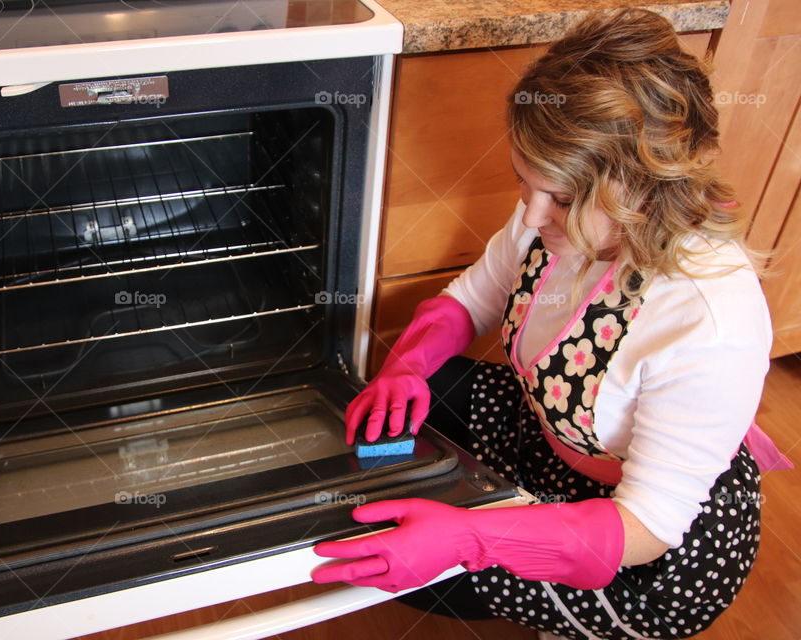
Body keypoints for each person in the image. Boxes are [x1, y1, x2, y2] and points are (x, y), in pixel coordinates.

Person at [310, 8, 793, 640]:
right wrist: (404, 367)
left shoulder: (707, 318)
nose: (531, 213)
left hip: (648, 544)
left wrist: (469, 537)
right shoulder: (554, 220)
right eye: (525, 183)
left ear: (646, 190)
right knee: (425, 398)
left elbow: (644, 528)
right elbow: (469, 301)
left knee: (442, 576)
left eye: (562, 199)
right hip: (555, 442)